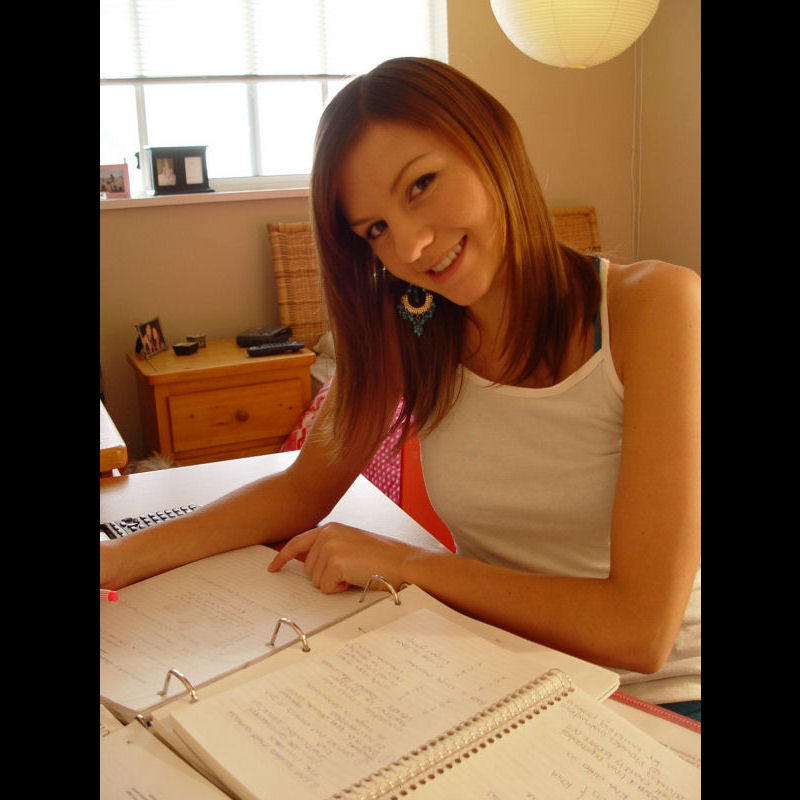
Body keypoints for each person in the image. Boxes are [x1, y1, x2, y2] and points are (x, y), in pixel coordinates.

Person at [100, 58, 700, 718]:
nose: (411, 247)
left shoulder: (654, 307)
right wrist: (118, 560)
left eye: (420, 185)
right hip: (507, 675)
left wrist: (409, 565)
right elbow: (300, 491)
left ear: (491, 142)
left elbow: (639, 631)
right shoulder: (410, 325)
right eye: (376, 230)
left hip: (661, 705)